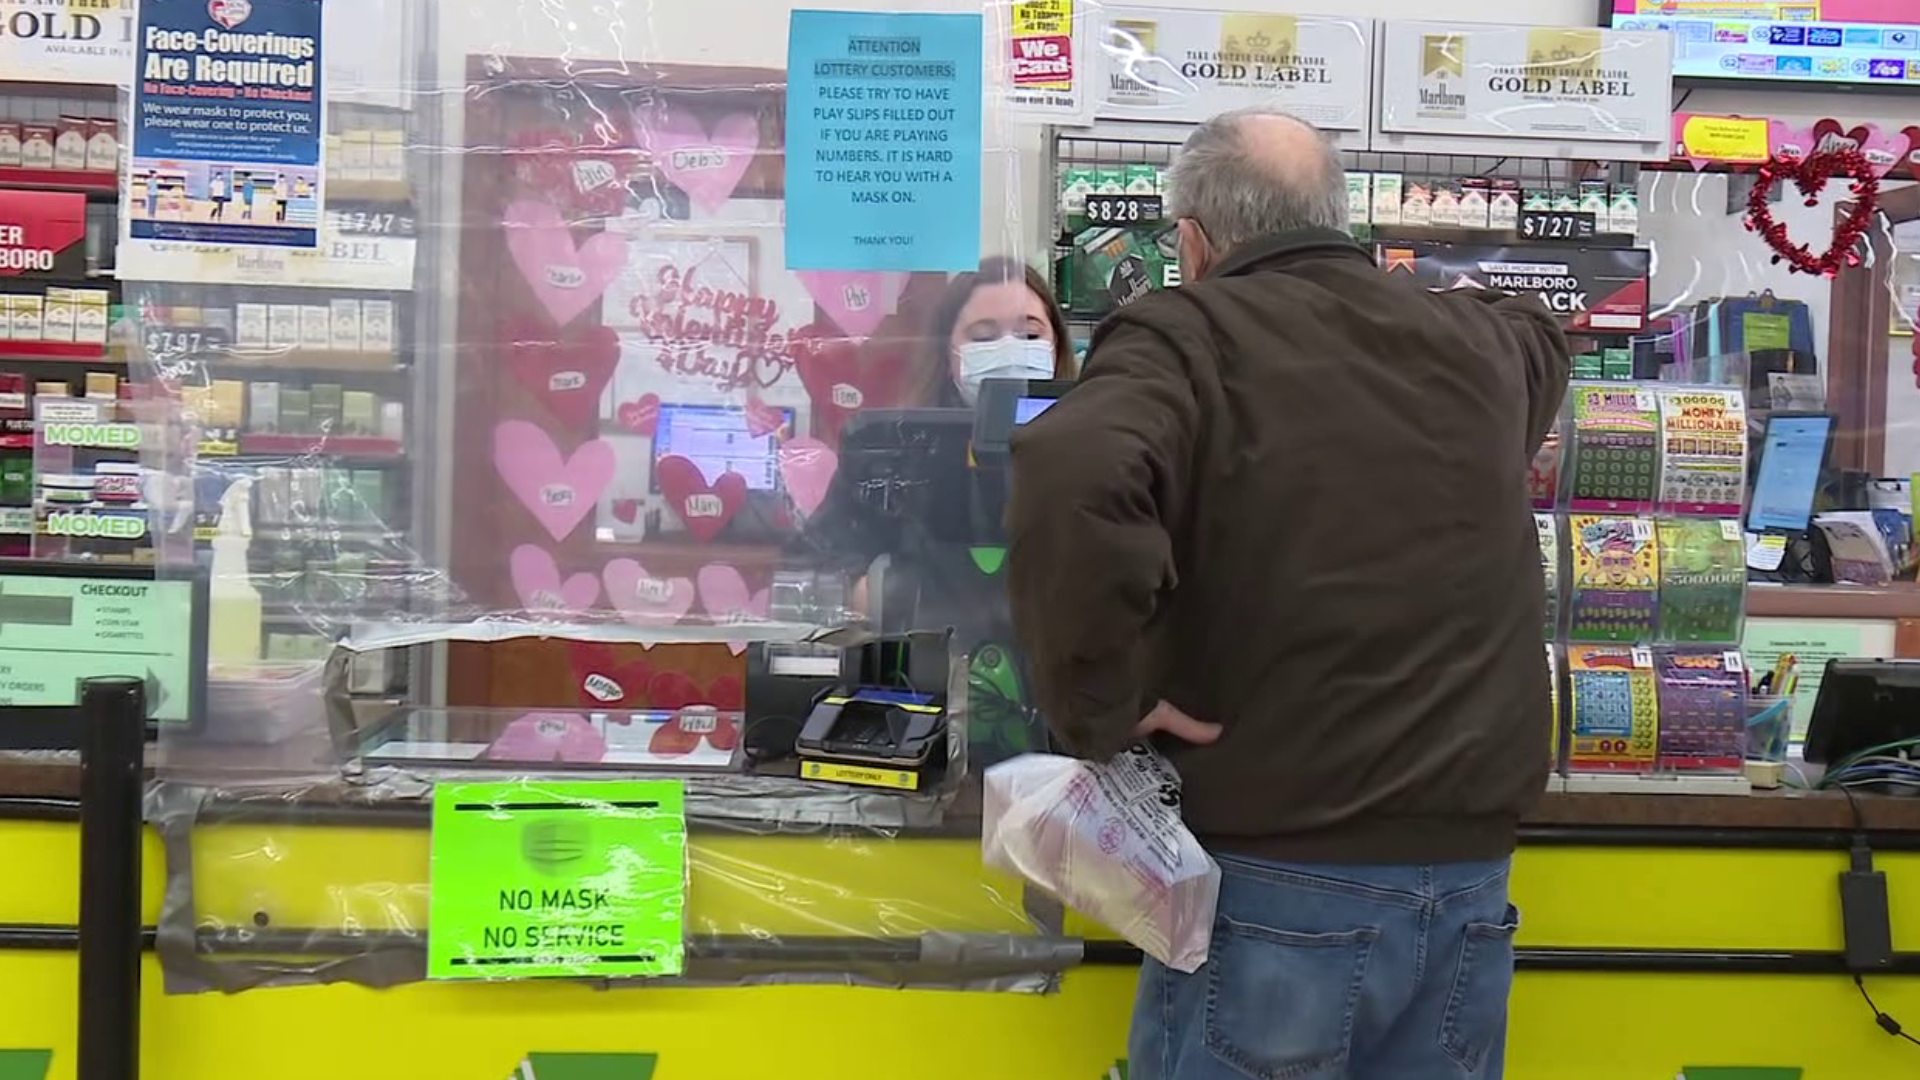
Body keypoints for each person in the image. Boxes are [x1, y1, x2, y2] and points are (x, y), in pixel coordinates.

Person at [1006, 108, 1571, 1080]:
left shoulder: (1186, 336)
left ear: (1192, 240)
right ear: (1336, 216)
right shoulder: (1474, 345)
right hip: (1469, 878)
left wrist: (1107, 706)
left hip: (1281, 874)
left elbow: (1071, 470)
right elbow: (1538, 336)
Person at [911, 256, 1075, 407]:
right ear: (946, 353)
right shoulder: (909, 436)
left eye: (1030, 334)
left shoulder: (1090, 436)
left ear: (1057, 346)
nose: (1010, 352)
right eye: (983, 337)